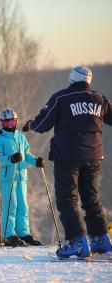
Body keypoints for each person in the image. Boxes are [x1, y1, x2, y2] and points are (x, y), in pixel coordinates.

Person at [22, 66, 112, 258]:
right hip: (94, 156)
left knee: (67, 199)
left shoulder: (61, 98)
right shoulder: (99, 98)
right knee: (91, 198)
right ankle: (101, 240)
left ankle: (78, 242)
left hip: (67, 156)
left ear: (71, 80)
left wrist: (30, 125)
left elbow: (43, 123)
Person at [0, 108, 43, 247]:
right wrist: (10, 158)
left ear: (16, 121)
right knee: (11, 204)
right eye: (6, 122)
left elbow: (26, 154)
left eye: (12, 122)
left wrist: (36, 161)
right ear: (1, 123)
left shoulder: (21, 137)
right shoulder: (0, 139)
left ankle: (23, 232)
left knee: (23, 205)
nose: (9, 125)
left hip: (21, 177)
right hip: (8, 177)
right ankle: (9, 234)